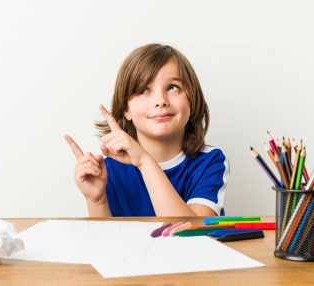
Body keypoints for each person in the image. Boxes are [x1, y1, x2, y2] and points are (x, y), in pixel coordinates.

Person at [65, 43, 229, 217]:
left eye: (172, 87)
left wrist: (144, 161)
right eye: (144, 90)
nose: (160, 101)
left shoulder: (210, 161)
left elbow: (190, 232)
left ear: (192, 99)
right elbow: (104, 241)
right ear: (125, 109)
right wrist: (96, 201)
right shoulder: (109, 171)